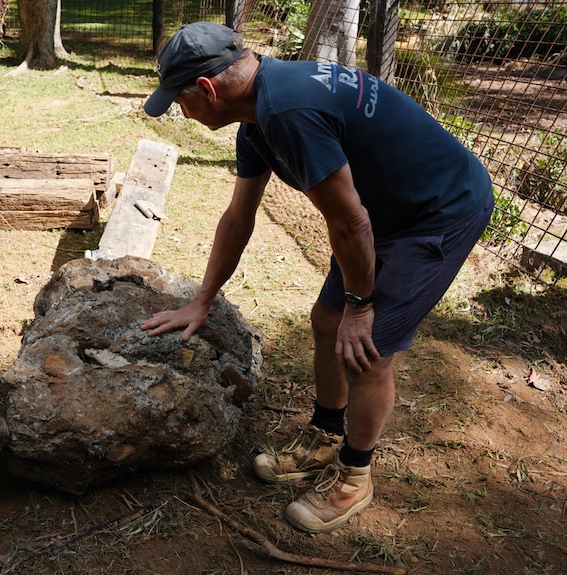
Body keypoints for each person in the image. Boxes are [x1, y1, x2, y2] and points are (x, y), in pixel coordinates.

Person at [140, 21, 494, 534]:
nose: (182, 111)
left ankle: (354, 476)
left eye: (179, 100)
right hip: (381, 211)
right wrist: (202, 301)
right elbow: (239, 217)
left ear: (208, 89)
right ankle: (326, 436)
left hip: (436, 211)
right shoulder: (259, 119)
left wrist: (362, 305)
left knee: (364, 345)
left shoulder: (288, 110)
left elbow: (351, 222)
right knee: (327, 320)